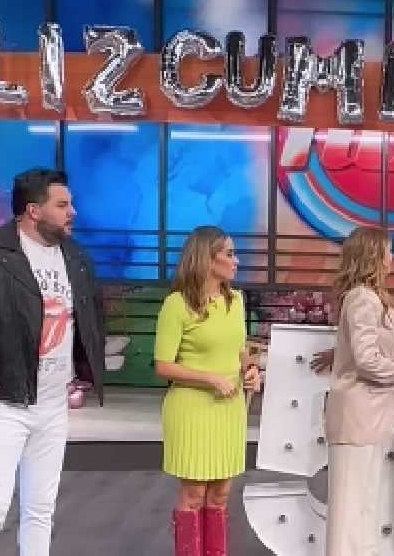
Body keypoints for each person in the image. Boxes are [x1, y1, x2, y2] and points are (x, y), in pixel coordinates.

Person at [0, 168, 105, 556]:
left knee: (41, 508)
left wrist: (83, 370)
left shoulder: (75, 257)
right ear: (33, 211)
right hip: (2, 402)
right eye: (62, 205)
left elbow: (88, 317)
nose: (73, 212)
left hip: (53, 405)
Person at [154, 226, 261, 556]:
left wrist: (250, 369)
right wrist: (210, 379)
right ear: (207, 259)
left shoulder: (236, 301)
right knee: (194, 495)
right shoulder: (177, 304)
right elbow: (163, 366)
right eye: (229, 254)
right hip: (192, 410)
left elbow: (240, 349)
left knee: (220, 495)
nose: (236, 261)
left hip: (229, 409)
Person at [325, 226, 394, 556]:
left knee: (364, 507)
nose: (393, 257)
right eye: (389, 251)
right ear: (374, 256)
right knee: (349, 513)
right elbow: (366, 359)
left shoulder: (373, 299)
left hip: (371, 417)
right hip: (357, 416)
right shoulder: (362, 298)